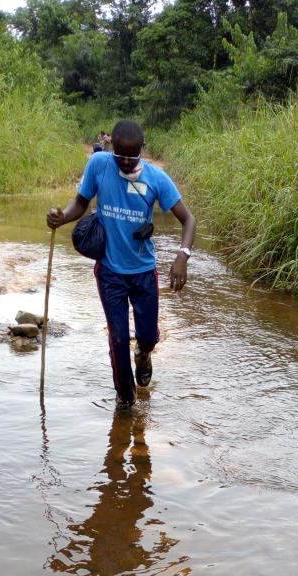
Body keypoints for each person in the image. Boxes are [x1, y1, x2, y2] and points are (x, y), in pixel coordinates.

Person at [48, 119, 196, 409]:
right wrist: (61, 217)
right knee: (117, 337)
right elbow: (80, 203)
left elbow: (188, 219)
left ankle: (143, 354)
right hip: (110, 271)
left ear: (142, 149)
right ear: (111, 147)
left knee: (147, 336)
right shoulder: (99, 164)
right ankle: (125, 399)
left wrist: (183, 256)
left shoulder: (156, 178)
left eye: (133, 155)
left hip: (143, 271)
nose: (126, 162)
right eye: (120, 155)